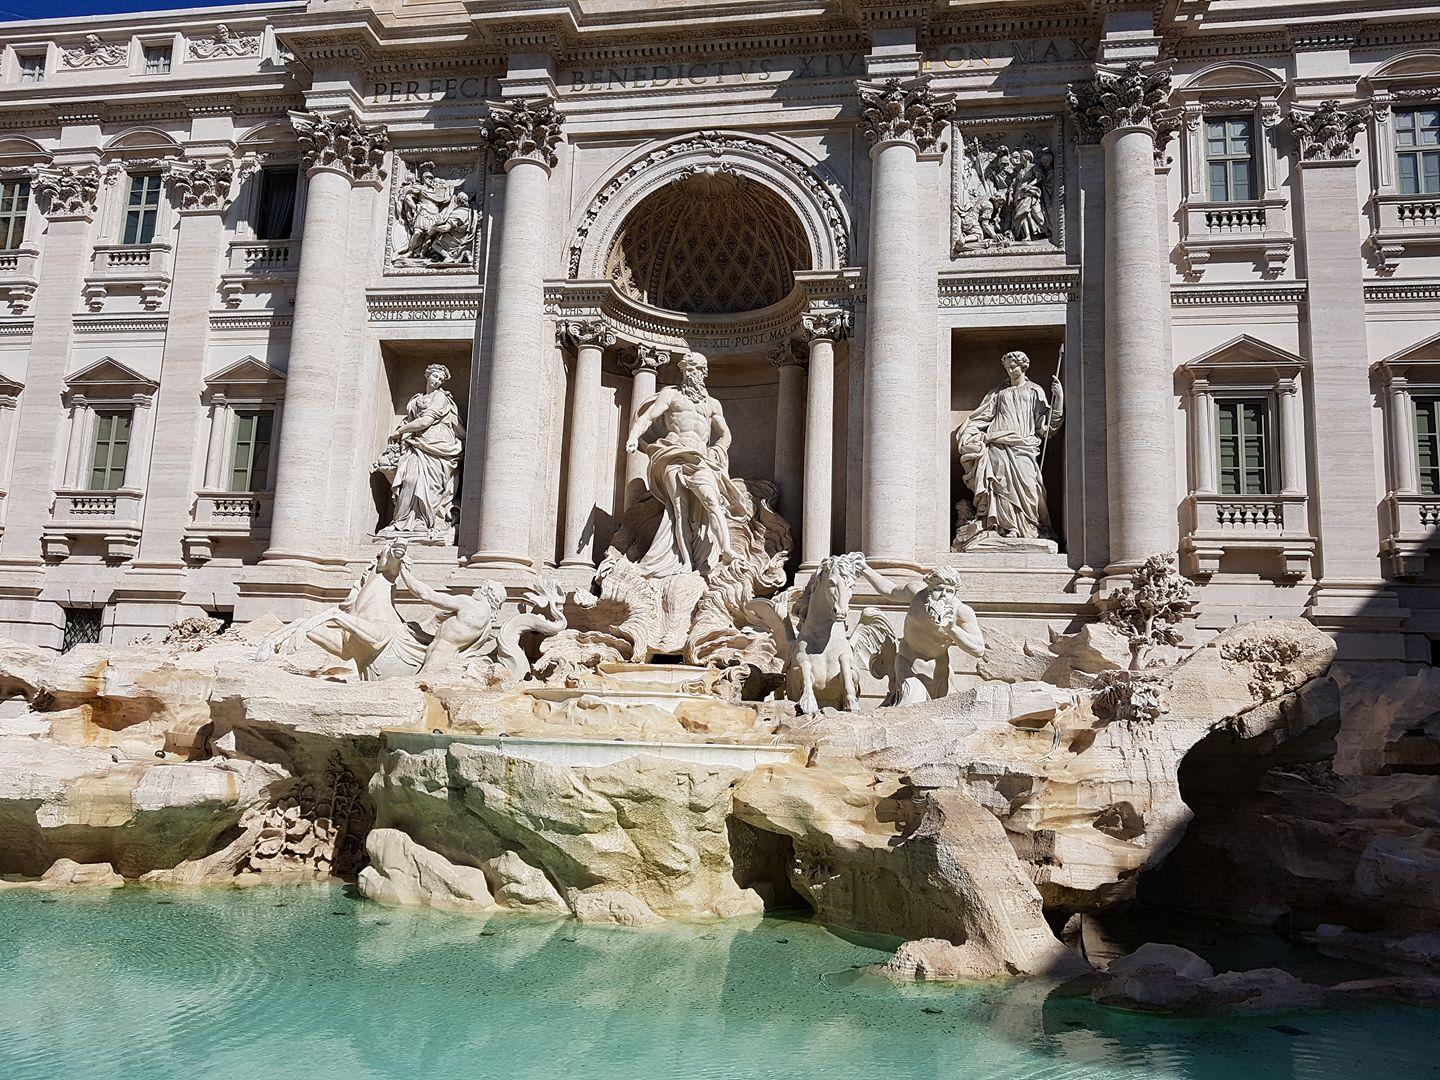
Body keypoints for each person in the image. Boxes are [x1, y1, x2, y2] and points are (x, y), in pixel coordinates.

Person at [623, 351, 751, 576]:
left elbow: (725, 435)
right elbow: (649, 417)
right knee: (679, 509)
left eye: (697, 369)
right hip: (673, 456)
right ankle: (684, 562)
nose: (692, 374)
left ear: (704, 373)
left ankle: (727, 549)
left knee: (711, 500)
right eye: (688, 370)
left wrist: (717, 450)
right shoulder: (671, 395)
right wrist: (633, 437)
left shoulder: (712, 404)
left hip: (701, 459)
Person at [955, 350, 1062, 543]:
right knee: (1000, 484)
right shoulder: (998, 393)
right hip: (997, 444)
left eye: (1015, 365)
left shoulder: (1034, 391)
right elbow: (982, 417)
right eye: (1008, 366)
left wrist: (1059, 398)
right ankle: (1006, 528)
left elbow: (1046, 427)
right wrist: (970, 433)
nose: (1011, 369)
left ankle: (1029, 527)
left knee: (1030, 485)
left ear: (1024, 366)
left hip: (1023, 444)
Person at [383, 363, 464, 537]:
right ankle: (401, 522)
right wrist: (403, 429)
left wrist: (399, 432)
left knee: (430, 485)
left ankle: (425, 522)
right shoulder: (417, 398)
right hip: (416, 443)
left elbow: (424, 422)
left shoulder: (441, 398)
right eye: (435, 376)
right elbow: (412, 420)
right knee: (409, 480)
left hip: (436, 444)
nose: (437, 381)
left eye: (441, 379)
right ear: (427, 375)